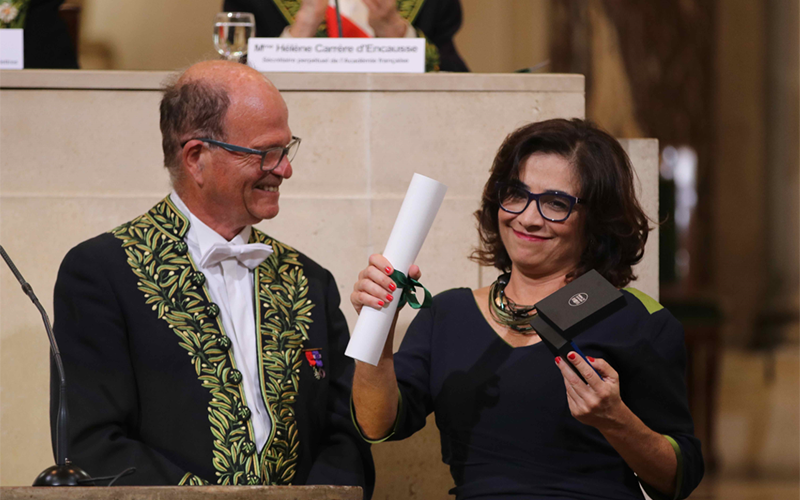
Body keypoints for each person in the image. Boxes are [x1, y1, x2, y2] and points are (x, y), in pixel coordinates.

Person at [51, 60, 373, 495]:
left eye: (285, 149)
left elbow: (346, 432)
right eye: (264, 153)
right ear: (197, 158)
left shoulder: (310, 280)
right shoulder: (101, 273)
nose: (284, 169)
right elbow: (91, 444)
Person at [350, 119, 704, 499]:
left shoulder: (635, 318)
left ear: (597, 218)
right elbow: (377, 425)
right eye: (516, 194)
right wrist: (380, 324)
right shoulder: (449, 313)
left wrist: (615, 420)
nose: (529, 218)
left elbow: (678, 478)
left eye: (556, 203)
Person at [221, 0, 469, 72]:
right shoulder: (253, 3)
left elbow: (456, 80)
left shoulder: (432, 4)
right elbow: (233, 82)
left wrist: (396, 31)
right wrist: (303, 27)